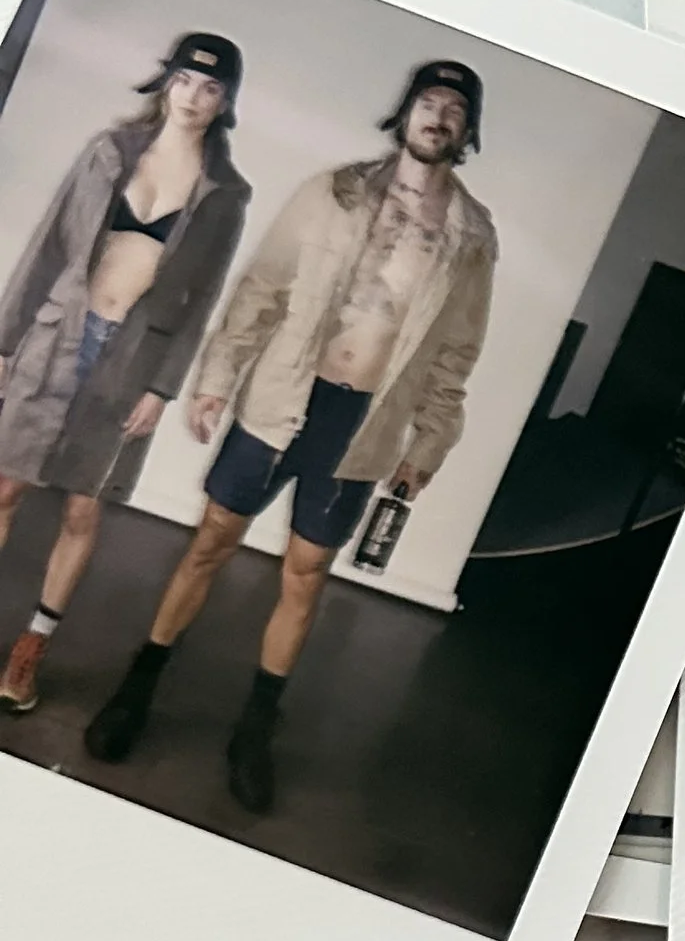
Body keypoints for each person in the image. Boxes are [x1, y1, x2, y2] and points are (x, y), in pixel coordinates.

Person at [82, 55, 497, 812]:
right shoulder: (332, 192)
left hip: (363, 424)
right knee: (211, 542)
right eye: (429, 101)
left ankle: (255, 727)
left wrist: (428, 444)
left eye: (455, 109)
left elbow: (457, 352)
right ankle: (138, 685)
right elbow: (264, 287)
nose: (438, 117)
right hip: (281, 396)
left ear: (466, 131)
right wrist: (217, 376)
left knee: (306, 574)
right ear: (405, 111)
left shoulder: (471, 237)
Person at [0, 24, 250, 713]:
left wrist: (161, 387)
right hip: (56, 338)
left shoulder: (225, 193)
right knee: (5, 488)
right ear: (165, 82)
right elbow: (48, 248)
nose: (192, 97)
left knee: (83, 509)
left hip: (130, 363)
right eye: (183, 80)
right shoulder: (109, 151)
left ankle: (31, 648)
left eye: (210, 87)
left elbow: (202, 301)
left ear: (225, 100)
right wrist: (5, 342)